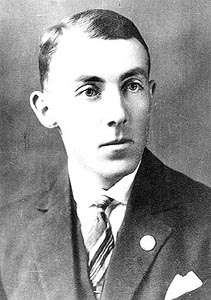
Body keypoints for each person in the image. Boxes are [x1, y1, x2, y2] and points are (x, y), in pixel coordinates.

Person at [0, 9, 210, 300]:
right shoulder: (7, 234)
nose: (118, 113)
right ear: (46, 110)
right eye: (90, 91)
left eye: (132, 86)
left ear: (151, 96)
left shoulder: (205, 217)